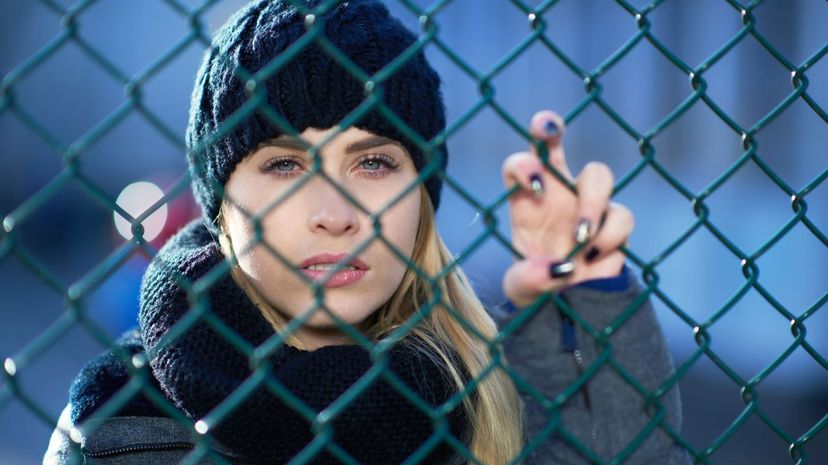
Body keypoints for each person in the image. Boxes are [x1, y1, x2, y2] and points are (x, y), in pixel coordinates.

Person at [44, 1, 688, 464]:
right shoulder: (121, 427)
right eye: (285, 164)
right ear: (220, 206)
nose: (336, 212)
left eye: (374, 162)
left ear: (421, 199)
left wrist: (593, 300)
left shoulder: (486, 399)